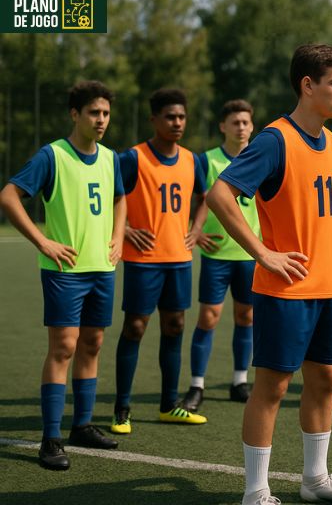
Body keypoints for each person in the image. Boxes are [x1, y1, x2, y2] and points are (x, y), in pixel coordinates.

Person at [207, 43, 332, 505]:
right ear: (308, 85)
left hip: (329, 289)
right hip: (285, 291)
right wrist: (263, 253)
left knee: (325, 381)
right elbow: (220, 196)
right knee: (273, 387)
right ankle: (255, 491)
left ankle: (314, 480)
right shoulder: (274, 139)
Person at [0, 81, 125, 470]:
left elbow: (122, 197)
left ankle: (82, 425)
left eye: (105, 113)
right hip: (64, 271)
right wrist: (43, 242)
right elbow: (8, 196)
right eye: (93, 113)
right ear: (75, 114)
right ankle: (50, 437)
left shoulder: (109, 157)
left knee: (92, 345)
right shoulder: (52, 155)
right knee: (64, 348)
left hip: (101, 269)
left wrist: (118, 238)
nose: (101, 120)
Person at [111, 88, 208, 435]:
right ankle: (121, 409)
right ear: (154, 119)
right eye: (170, 116)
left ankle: (169, 405)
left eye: (181, 116)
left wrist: (196, 230)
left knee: (175, 327)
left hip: (179, 259)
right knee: (135, 328)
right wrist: (123, 229)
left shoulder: (192, 160)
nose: (177, 122)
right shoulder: (132, 158)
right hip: (143, 261)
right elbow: (107, 197)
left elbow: (207, 197)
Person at [180, 99, 259, 413]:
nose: (241, 127)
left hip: (251, 255)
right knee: (208, 317)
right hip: (218, 255)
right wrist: (196, 231)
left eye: (245, 122)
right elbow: (201, 199)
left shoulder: (261, 156)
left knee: (247, 317)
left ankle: (239, 381)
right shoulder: (208, 160)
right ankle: (196, 384)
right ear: (223, 127)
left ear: (252, 126)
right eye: (235, 122)